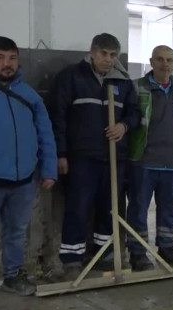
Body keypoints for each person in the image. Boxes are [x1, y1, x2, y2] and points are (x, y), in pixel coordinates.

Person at [50, 33, 139, 276]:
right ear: (92, 52)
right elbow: (57, 117)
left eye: (113, 55)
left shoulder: (122, 81)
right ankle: (72, 257)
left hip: (114, 157)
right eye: (104, 54)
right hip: (82, 157)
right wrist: (61, 154)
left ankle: (105, 252)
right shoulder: (71, 77)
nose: (108, 60)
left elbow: (134, 113)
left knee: (109, 207)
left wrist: (123, 126)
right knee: (78, 206)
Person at [0, 36, 57, 303]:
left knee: (16, 233)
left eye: (12, 58)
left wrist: (48, 169)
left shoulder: (29, 94)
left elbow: (45, 133)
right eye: (0, 58)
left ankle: (12, 276)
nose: (7, 64)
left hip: (23, 180)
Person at [126, 45, 173, 269]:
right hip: (144, 161)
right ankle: (137, 251)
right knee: (138, 207)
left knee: (169, 208)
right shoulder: (137, 87)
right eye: (160, 59)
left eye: (169, 60)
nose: (165, 64)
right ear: (151, 61)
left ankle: (166, 246)